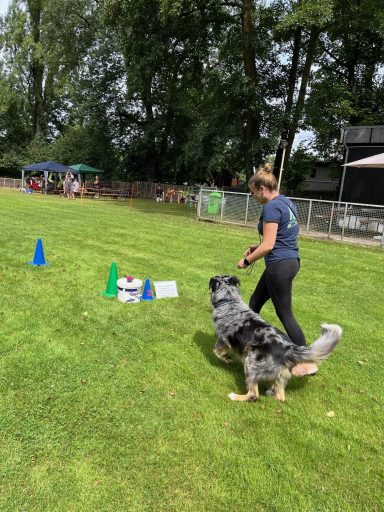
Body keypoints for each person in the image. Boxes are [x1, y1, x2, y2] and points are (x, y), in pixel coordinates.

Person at [237, 163, 317, 376]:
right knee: (254, 302)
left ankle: (306, 361)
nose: (254, 197)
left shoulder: (271, 207)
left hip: (279, 265)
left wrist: (247, 260)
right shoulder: (286, 202)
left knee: (285, 313)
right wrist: (257, 247)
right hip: (289, 261)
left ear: (262, 189)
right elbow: (282, 236)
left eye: (254, 193)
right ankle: (247, 345)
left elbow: (270, 244)